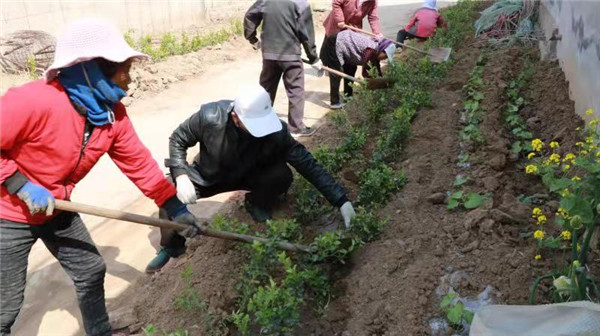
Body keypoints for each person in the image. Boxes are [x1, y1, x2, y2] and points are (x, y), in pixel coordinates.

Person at [0, 19, 200, 336]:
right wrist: (19, 184)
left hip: (55, 207)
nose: (130, 79)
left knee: (90, 269)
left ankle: (100, 331)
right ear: (93, 69)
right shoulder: (34, 101)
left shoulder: (110, 115)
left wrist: (176, 208)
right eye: (124, 70)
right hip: (7, 214)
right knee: (6, 306)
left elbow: (139, 164)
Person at [145, 85, 357, 273]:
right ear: (235, 118)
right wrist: (181, 175)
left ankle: (257, 203)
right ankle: (171, 246)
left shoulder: (276, 130)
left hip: (250, 173)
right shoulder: (210, 116)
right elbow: (178, 139)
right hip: (209, 175)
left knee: (282, 176)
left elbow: (306, 163)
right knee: (169, 188)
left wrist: (341, 200)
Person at [244, 0, 322, 138]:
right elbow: (307, 32)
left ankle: (259, 123)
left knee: (266, 89)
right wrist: (313, 57)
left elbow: (250, 15)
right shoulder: (300, 3)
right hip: (291, 56)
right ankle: (296, 127)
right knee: (295, 91)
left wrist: (253, 39)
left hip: (269, 55)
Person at [319, 30, 396, 109]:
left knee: (351, 68)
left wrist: (382, 81)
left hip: (347, 46)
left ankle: (348, 96)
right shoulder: (371, 51)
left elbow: (376, 67)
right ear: (382, 50)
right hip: (335, 43)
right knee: (337, 73)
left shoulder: (377, 50)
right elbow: (366, 72)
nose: (385, 58)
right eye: (386, 56)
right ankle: (334, 102)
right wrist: (374, 85)